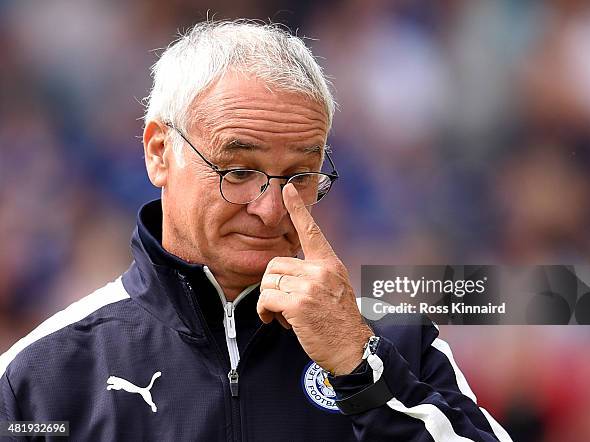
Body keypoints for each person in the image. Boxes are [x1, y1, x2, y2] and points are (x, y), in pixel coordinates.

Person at [0, 20, 512, 441]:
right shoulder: (44, 377)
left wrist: (361, 369)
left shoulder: (396, 343)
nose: (270, 209)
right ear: (159, 152)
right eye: (238, 172)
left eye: (299, 176)